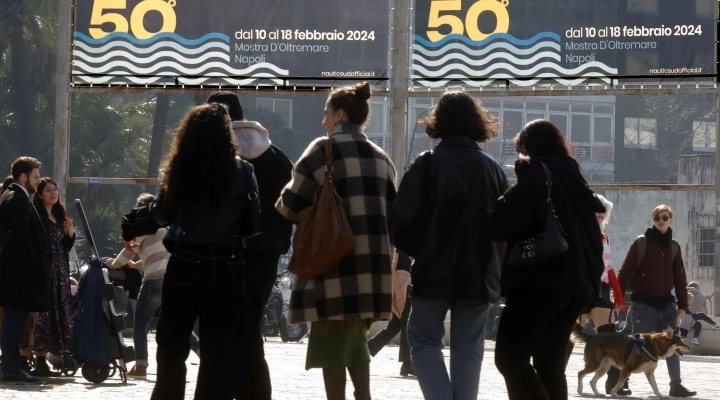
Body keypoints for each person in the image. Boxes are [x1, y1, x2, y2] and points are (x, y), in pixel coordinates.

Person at [122, 103, 259, 400]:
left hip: (185, 263)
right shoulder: (244, 171)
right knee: (218, 349)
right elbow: (252, 223)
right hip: (229, 266)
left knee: (172, 343)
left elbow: (161, 214)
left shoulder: (180, 169)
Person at [276, 82, 397, 400]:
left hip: (330, 263)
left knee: (329, 339)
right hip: (371, 269)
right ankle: (364, 396)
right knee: (355, 338)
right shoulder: (382, 159)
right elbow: (396, 217)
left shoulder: (321, 150)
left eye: (326, 113)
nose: (323, 121)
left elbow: (289, 204)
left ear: (340, 114)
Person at [391, 92, 509, 400]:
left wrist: (413, 253)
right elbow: (507, 224)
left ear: (438, 122)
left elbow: (400, 216)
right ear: (476, 123)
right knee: (469, 348)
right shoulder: (493, 168)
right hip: (481, 274)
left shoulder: (427, 165)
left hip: (433, 271)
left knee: (423, 339)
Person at [489, 120, 605, 400]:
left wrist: (519, 181)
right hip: (575, 290)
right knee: (549, 364)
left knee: (510, 359)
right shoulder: (575, 178)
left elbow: (501, 223)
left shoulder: (538, 173)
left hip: (539, 284)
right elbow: (593, 238)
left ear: (528, 148)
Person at [206, 91, 293, 400]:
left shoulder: (213, 157)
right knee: (249, 321)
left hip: (227, 251)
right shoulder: (276, 155)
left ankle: (232, 388)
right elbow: (291, 204)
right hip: (266, 252)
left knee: (224, 324)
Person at [105, 193, 199, 379]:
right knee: (180, 325)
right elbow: (160, 253)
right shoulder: (169, 226)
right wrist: (137, 265)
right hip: (173, 283)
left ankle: (141, 366)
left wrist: (112, 265)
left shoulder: (144, 226)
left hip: (153, 283)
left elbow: (128, 250)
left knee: (140, 324)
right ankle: (206, 356)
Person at [617, 205, 696, 397]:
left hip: (667, 305)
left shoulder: (674, 246)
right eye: (657, 217)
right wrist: (619, 299)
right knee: (637, 345)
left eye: (665, 217)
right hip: (642, 305)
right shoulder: (641, 242)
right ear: (653, 219)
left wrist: (683, 306)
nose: (661, 220)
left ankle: (675, 385)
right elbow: (625, 271)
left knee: (673, 345)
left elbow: (680, 277)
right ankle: (622, 382)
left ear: (671, 220)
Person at [0, 157, 49, 383]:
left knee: (13, 319)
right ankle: (11, 366)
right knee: (14, 320)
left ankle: (11, 366)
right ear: (23, 176)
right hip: (19, 274)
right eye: (36, 177)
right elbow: (20, 237)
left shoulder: (10, 196)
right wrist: (36, 264)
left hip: (13, 272)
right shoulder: (18, 199)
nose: (38, 181)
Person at [31, 178, 76, 377]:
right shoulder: (37, 217)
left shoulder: (59, 218)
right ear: (40, 194)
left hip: (61, 273)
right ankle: (40, 359)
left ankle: (57, 356)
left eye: (55, 189)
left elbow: (64, 247)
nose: (53, 193)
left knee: (60, 314)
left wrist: (70, 234)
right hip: (44, 273)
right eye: (48, 190)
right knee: (44, 317)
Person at [367, 251, 413, 377]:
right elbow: (391, 270)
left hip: (405, 287)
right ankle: (407, 364)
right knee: (405, 326)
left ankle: (365, 351)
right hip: (400, 289)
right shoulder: (397, 247)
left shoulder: (407, 248)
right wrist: (398, 295)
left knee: (395, 326)